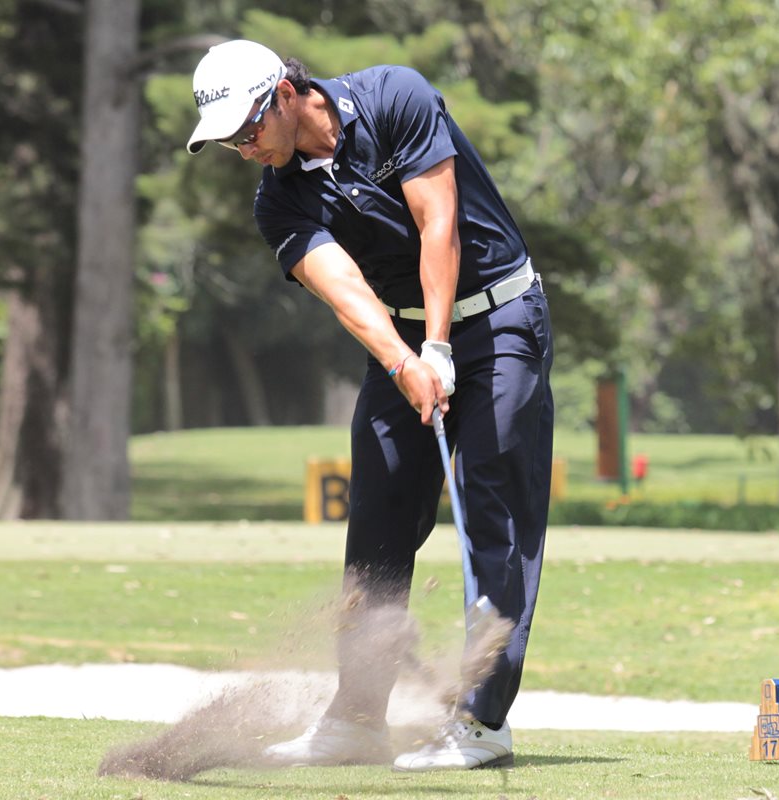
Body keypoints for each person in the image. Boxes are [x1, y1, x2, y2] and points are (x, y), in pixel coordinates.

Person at [186, 40, 554, 771]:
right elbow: (347, 292)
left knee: (492, 508)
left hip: (501, 320)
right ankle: (357, 720)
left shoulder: (393, 97)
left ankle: (481, 723)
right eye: (228, 142)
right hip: (401, 339)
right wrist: (405, 361)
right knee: (379, 516)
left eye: (247, 130)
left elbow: (438, 224)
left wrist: (438, 348)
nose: (244, 149)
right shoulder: (278, 200)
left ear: (284, 94)